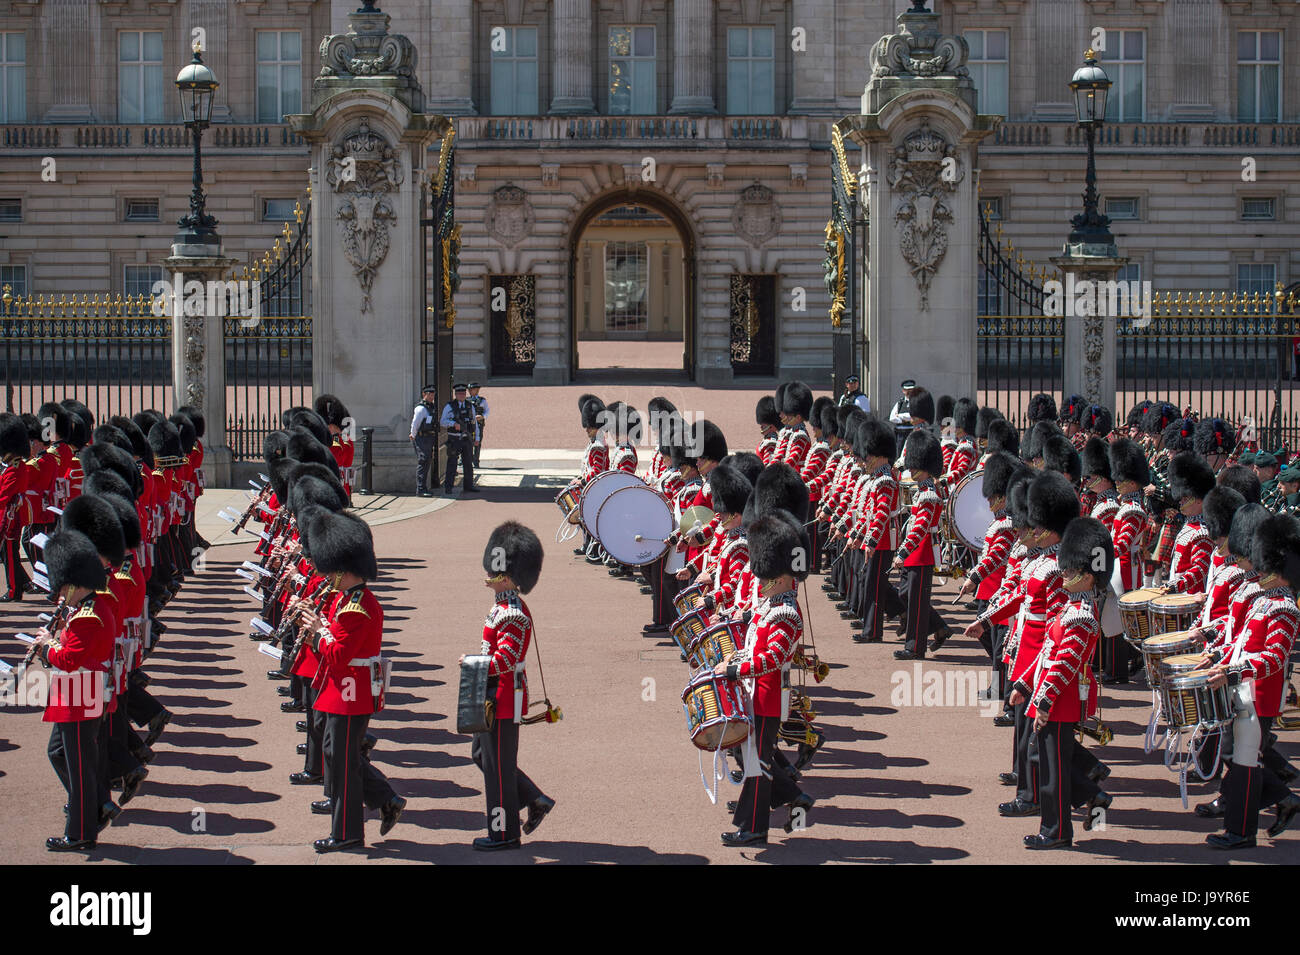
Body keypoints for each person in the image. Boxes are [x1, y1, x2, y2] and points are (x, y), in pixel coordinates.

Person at [298, 509, 405, 852]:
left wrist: (316, 634)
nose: (327, 573)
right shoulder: (350, 601)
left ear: (344, 569)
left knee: (342, 765)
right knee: (335, 753)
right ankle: (385, 799)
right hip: (345, 690)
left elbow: (337, 655)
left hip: (350, 692)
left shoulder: (355, 608)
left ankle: (348, 834)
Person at [1201, 513, 1300, 849]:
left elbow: (1273, 658)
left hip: (1260, 695)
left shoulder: (1285, 608)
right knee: (1242, 761)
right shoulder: (1264, 601)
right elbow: (1241, 641)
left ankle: (1242, 832)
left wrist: (1233, 671)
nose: (1261, 572)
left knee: (1244, 761)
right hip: (1244, 691)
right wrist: (1218, 657)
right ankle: (1248, 823)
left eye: (1268, 566)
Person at [717, 511, 809, 847]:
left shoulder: (785, 613)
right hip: (756, 691)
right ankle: (768, 813)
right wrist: (734, 660)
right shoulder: (769, 607)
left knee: (758, 764)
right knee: (757, 761)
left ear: (783, 578)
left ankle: (755, 828)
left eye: (767, 576)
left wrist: (735, 669)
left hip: (768, 696)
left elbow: (771, 660)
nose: (761, 581)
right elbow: (754, 648)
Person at [462, 521, 555, 850]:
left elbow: (505, 659)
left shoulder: (512, 613)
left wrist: (473, 664)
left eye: (498, 568)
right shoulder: (503, 607)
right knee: (483, 757)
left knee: (498, 769)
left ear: (511, 575)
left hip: (501, 697)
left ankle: (503, 834)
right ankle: (533, 797)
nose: (491, 572)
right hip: (492, 694)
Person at [1024, 516, 1113, 849]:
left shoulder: (1081, 616)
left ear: (1086, 576)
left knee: (1054, 773)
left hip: (1059, 702)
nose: (1063, 575)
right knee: (1046, 763)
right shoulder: (1072, 607)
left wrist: (1044, 703)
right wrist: (1027, 689)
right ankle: (1092, 794)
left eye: (1070, 571)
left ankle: (1057, 831)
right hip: (1053, 698)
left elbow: (1065, 666)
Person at [32, 531, 117, 852]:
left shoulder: (88, 617)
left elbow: (69, 660)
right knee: (59, 753)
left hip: (82, 694)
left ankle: (81, 832)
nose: (60, 594)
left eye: (63, 587)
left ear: (77, 584)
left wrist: (46, 646)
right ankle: (97, 804)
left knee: (80, 766)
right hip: (76, 693)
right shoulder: (82, 610)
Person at [440, 383, 480, 495]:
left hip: (467, 439)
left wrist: (477, 437)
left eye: (463, 393)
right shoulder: (449, 406)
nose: (462, 395)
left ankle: (469, 486)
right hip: (454, 439)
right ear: (455, 394)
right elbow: (442, 422)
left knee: (468, 463)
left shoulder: (469, 405)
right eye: (459, 393)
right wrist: (453, 424)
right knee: (452, 463)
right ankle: (448, 487)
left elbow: (474, 422)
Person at [409, 385, 439, 497]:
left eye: (433, 394)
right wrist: (413, 434)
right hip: (421, 438)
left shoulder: (431, 407)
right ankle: (420, 489)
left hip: (429, 438)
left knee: (427, 461)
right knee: (423, 461)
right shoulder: (421, 408)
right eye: (429, 394)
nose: (432, 396)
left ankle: (424, 487)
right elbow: (415, 423)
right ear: (424, 394)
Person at [468, 382, 489, 469]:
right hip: (469, 424)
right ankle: (466, 460)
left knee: (477, 442)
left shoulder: (482, 401)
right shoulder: (466, 400)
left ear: (477, 390)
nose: (470, 391)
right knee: (468, 442)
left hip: (479, 423)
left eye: (471, 389)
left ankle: (476, 460)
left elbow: (487, 411)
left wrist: (482, 416)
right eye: (469, 390)